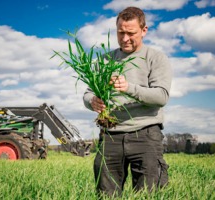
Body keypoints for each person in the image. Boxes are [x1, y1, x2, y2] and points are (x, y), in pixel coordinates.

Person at [83, 6, 172, 197]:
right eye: (120, 32)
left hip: (146, 135)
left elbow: (161, 96)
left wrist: (128, 88)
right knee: (106, 194)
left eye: (130, 33)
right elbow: (88, 94)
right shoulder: (105, 60)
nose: (124, 39)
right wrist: (92, 101)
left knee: (148, 194)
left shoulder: (155, 58)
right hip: (110, 136)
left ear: (144, 30)